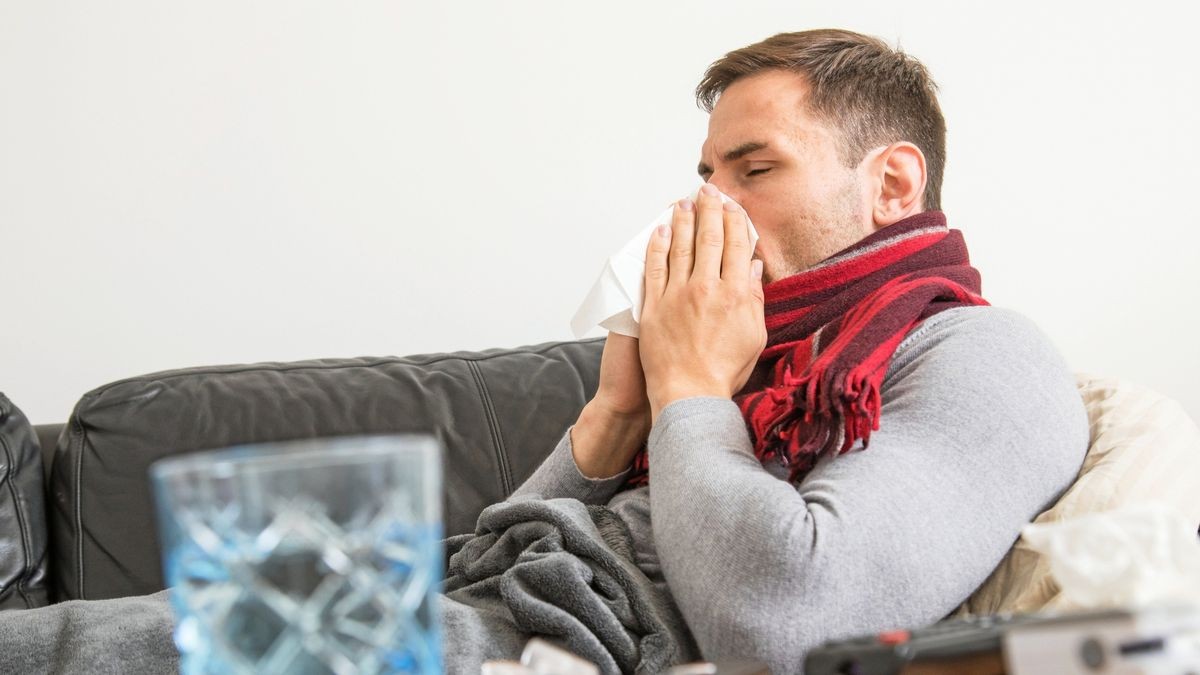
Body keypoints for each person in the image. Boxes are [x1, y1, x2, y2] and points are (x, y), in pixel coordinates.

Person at [0, 29, 1088, 675]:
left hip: (545, 648)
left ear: (892, 184)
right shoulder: (744, 360)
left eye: (754, 170)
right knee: (79, 639)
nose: (708, 211)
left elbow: (787, 617)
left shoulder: (988, 359)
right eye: (706, 178)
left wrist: (692, 391)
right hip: (477, 613)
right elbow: (490, 556)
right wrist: (614, 418)